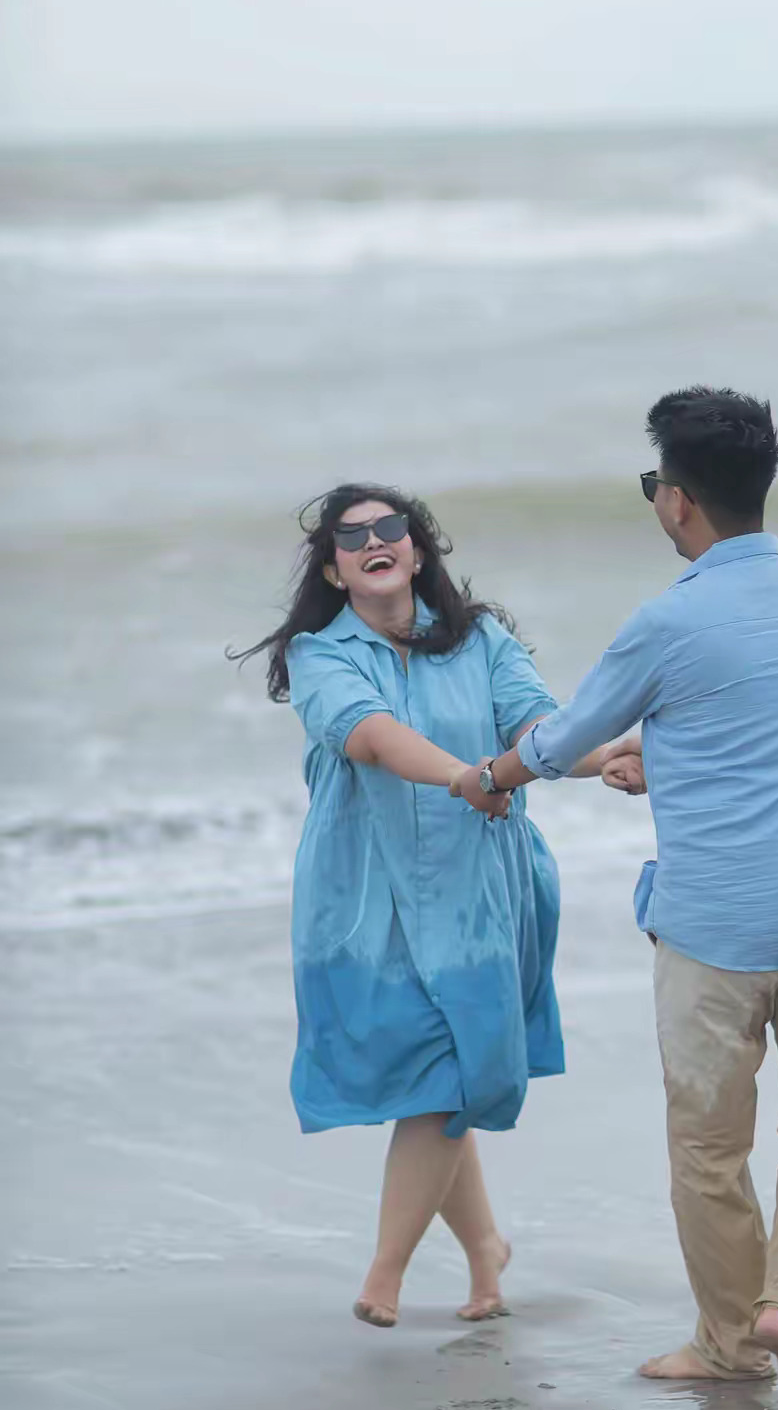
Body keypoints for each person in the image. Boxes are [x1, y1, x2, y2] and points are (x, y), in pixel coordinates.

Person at [457, 389, 778, 1400]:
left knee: (708, 1146)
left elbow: (561, 740)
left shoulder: (668, 622)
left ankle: (732, 1341)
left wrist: (487, 779)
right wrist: (675, 761)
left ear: (678, 501)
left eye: (656, 483)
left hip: (715, 930)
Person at [234, 484, 634, 1328]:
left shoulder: (480, 641)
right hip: (366, 897)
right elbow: (371, 736)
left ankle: (386, 1274)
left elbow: (539, 729)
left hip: (480, 889)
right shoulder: (320, 655)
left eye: (391, 528)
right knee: (434, 1075)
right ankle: (486, 1247)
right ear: (334, 571)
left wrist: (609, 757)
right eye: (352, 538)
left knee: (451, 1074)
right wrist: (464, 775)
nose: (374, 542)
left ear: (417, 551)